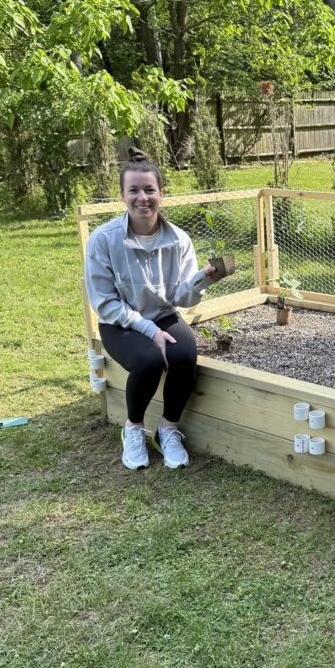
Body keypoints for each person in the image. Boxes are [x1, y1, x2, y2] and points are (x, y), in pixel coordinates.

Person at [84, 147, 225, 470]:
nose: (142, 198)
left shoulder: (178, 239)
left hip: (162, 313)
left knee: (184, 355)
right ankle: (133, 429)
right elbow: (106, 303)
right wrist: (150, 332)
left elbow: (179, 296)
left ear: (162, 193)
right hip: (118, 322)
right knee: (148, 361)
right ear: (122, 195)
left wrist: (202, 280)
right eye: (133, 190)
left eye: (149, 190)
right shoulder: (103, 240)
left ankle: (168, 430)